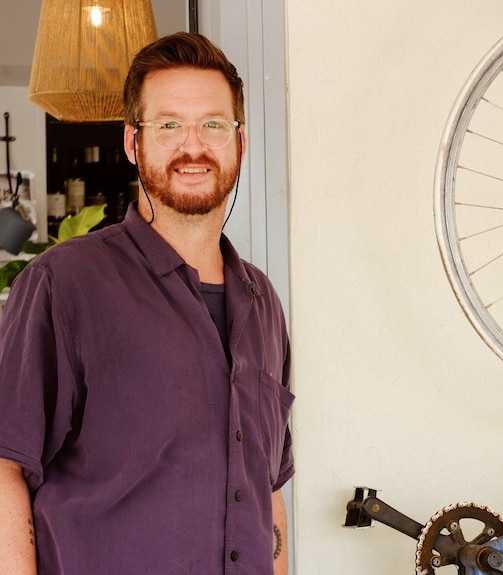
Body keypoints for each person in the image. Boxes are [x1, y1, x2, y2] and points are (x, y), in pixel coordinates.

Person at [0, 32, 293, 574]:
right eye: (168, 125)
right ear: (134, 143)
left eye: (213, 124)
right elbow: (4, 471)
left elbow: (265, 490)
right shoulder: (63, 286)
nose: (193, 145)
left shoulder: (264, 304)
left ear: (240, 142)